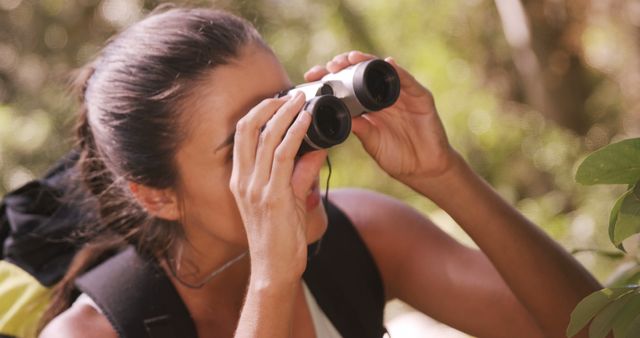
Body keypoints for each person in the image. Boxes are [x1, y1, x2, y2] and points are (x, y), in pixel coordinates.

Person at [36, 5, 601, 338]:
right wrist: (272, 283)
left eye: (293, 114)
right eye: (252, 144)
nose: (298, 156)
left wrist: (442, 174)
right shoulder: (90, 334)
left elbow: (597, 331)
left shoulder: (365, 233)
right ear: (157, 196)